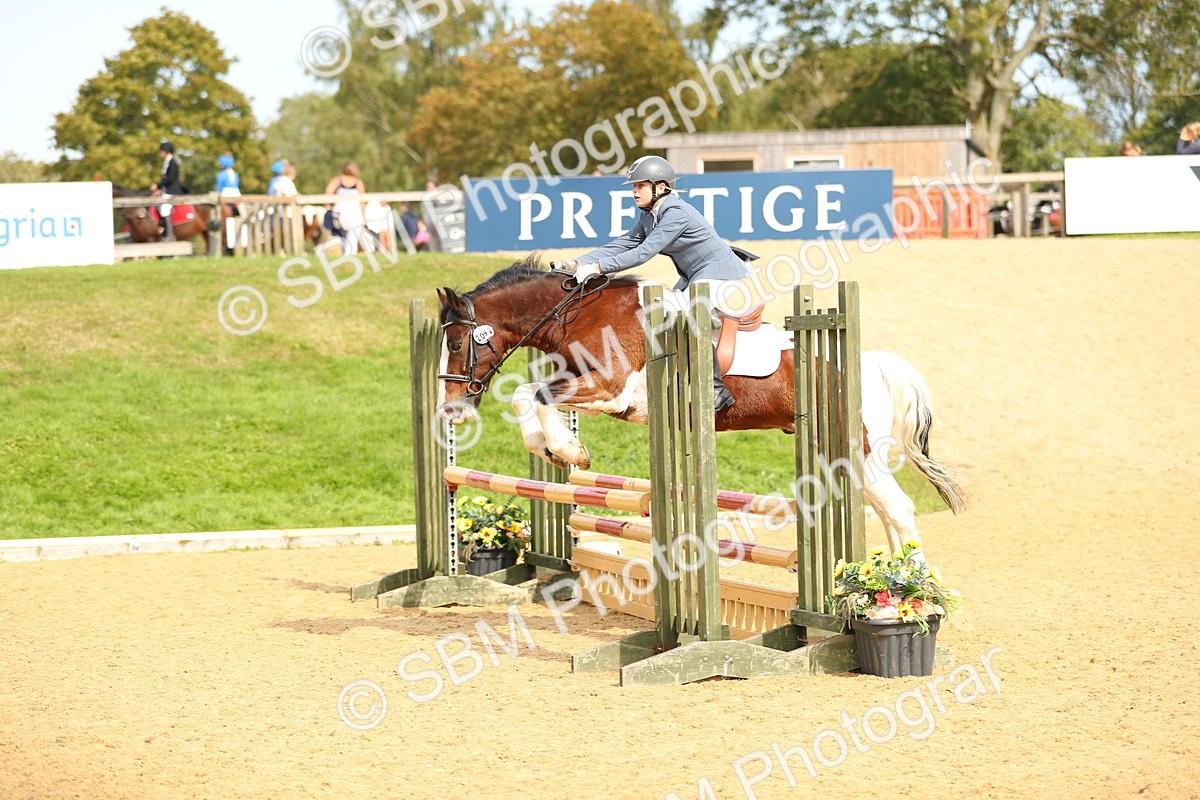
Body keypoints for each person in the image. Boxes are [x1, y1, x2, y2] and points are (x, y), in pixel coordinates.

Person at [556, 155, 757, 412]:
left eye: (639, 185)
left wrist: (597, 268)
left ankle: (716, 390)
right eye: (633, 186)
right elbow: (626, 242)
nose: (634, 191)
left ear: (660, 187)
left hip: (720, 273)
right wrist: (576, 262)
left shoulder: (675, 213)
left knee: (685, 316)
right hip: (696, 275)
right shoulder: (650, 214)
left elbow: (643, 253)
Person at [323, 162, 367, 255]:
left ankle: (348, 256)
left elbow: (327, 194)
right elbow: (362, 200)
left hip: (346, 211)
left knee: (346, 237)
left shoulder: (338, 180)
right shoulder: (356, 182)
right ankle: (349, 256)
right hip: (348, 212)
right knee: (351, 237)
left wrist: (328, 207)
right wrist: (364, 214)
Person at [150, 141, 185, 241]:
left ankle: (170, 235)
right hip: (167, 189)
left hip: (172, 190)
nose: (160, 153)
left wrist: (157, 185)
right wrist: (159, 189)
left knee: (164, 208)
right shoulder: (168, 161)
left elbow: (170, 179)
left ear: (166, 151)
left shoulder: (172, 162)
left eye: (161, 151)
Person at [215, 154, 242, 253]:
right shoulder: (235, 174)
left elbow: (218, 188)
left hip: (225, 196)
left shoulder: (221, 175)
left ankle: (226, 244)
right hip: (236, 196)